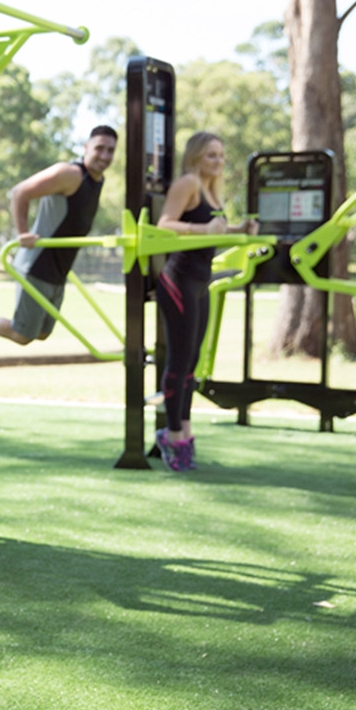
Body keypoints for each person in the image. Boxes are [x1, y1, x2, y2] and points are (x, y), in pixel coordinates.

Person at [0, 125, 118, 347]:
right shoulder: (70, 174)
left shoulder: (98, 181)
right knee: (22, 335)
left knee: (42, 333)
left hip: (58, 270)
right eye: (99, 148)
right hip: (37, 265)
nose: (105, 156)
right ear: (86, 147)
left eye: (110, 151)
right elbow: (20, 192)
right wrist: (23, 232)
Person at [154, 132, 257, 471]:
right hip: (178, 279)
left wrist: (239, 229)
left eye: (221, 155)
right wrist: (207, 230)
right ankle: (171, 435)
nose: (218, 161)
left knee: (193, 363)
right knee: (180, 360)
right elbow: (165, 224)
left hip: (200, 281)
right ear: (196, 156)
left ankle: (185, 431)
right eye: (211, 155)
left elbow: (212, 229)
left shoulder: (213, 189)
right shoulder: (188, 183)